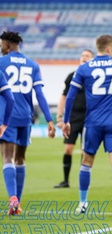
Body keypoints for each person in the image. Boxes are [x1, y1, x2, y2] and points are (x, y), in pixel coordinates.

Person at [62, 34, 112, 216]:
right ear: (111, 48)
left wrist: (65, 120)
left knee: (86, 162)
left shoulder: (84, 68)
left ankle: (83, 203)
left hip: (92, 123)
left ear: (98, 48)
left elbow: (70, 95)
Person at [0, 31, 56, 215]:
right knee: (21, 158)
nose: (1, 47)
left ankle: (13, 198)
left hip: (6, 118)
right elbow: (39, 94)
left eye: (2, 44)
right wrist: (49, 119)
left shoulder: (1, 63)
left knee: (7, 157)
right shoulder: (32, 65)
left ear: (7, 45)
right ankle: (18, 203)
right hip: (26, 116)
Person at [54, 49, 94, 188]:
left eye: (87, 56)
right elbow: (64, 97)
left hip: (89, 118)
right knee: (68, 149)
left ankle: (83, 181)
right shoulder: (72, 76)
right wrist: (59, 117)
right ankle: (65, 180)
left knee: (85, 151)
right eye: (82, 55)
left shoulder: (94, 76)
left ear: (92, 59)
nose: (84, 58)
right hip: (73, 118)